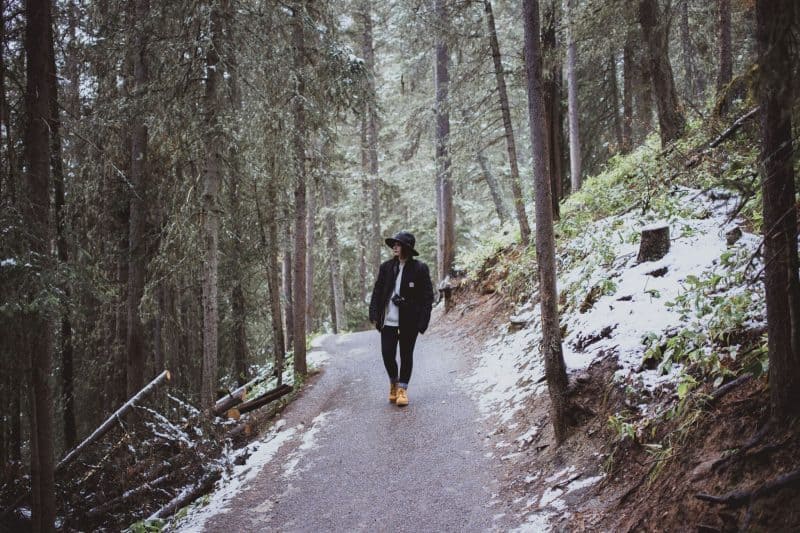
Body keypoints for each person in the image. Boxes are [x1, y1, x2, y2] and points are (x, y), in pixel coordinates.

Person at [369, 231, 434, 407]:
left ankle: (402, 390)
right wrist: (374, 313)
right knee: (387, 354)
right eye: (394, 245)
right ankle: (394, 382)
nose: (394, 247)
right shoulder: (386, 267)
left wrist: (422, 321)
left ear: (406, 247)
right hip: (388, 321)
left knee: (406, 355)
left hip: (409, 322)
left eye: (398, 245)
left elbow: (427, 297)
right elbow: (377, 291)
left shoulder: (420, 268)